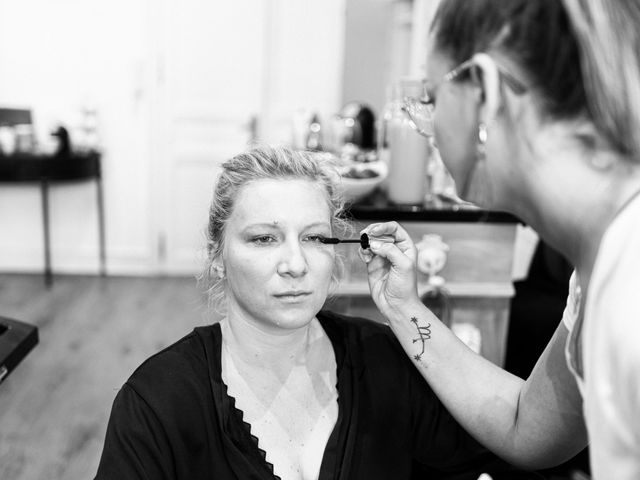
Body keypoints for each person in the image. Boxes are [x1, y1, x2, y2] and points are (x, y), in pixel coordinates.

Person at [94, 145, 538, 480]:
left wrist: (406, 309)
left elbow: (518, 439)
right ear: (217, 256)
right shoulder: (158, 404)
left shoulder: (384, 363)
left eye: (313, 239)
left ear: (336, 257)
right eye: (264, 238)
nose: (295, 264)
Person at [360, 1, 640, 479]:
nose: (425, 128)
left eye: (430, 99)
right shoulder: (596, 267)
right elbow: (524, 427)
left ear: (485, 92)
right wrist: (404, 305)